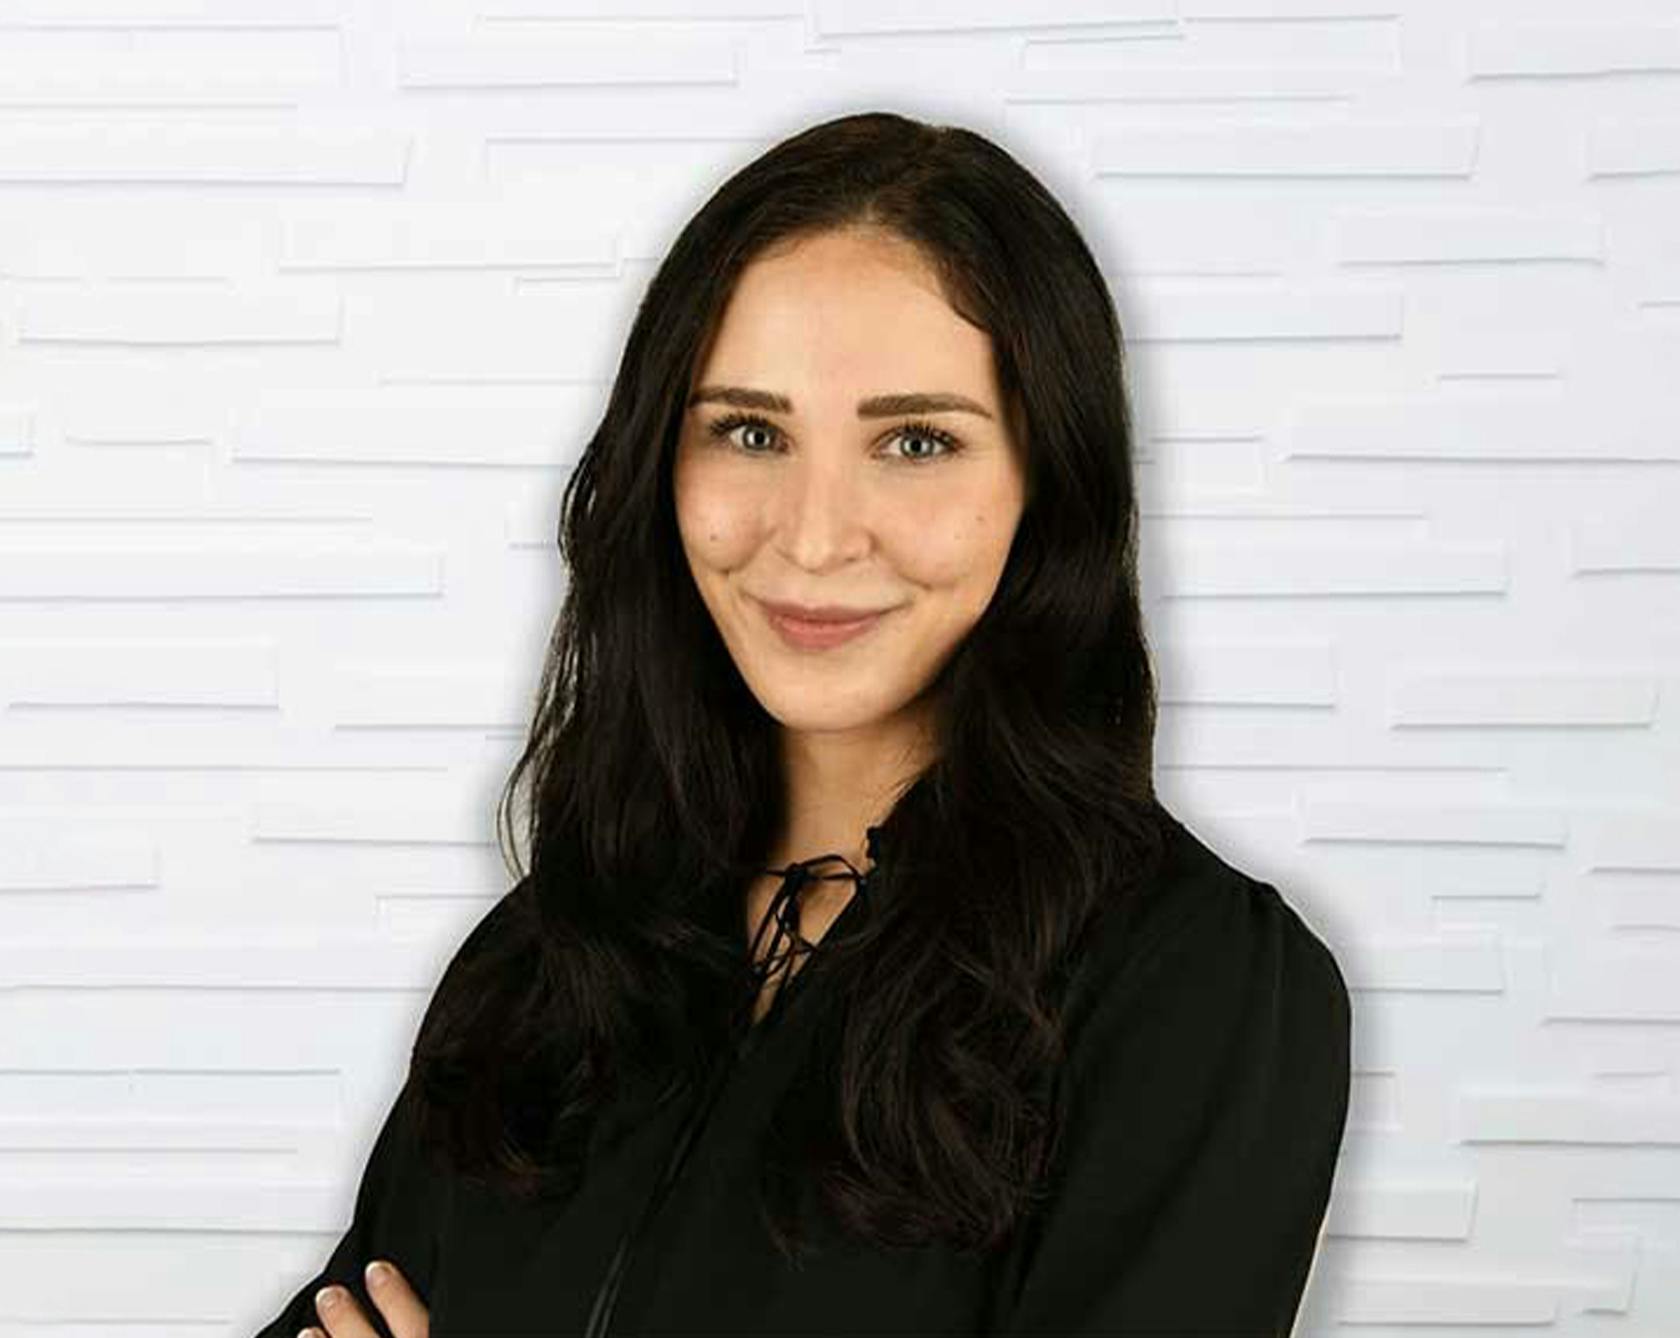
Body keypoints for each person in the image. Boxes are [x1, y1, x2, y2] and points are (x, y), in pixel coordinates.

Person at [251, 109, 1352, 1338]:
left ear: (1051, 483)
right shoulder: (555, 955)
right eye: (750, 431)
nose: (815, 534)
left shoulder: (1198, 992)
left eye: (917, 441)